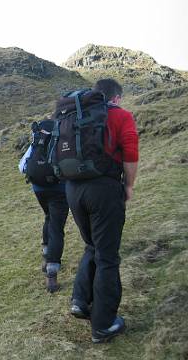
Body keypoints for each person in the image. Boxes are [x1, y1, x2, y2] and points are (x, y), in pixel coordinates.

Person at [66, 79, 139, 343]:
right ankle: (104, 325)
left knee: (91, 246)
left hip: (73, 189)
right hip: (103, 190)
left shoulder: (76, 114)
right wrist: (128, 186)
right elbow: (130, 152)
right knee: (107, 256)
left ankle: (80, 300)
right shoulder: (120, 115)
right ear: (116, 98)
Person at [19, 130, 69, 293]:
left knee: (49, 216)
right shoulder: (64, 134)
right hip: (59, 189)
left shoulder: (39, 138)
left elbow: (22, 166)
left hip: (38, 188)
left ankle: (46, 257)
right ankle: (51, 273)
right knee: (56, 226)